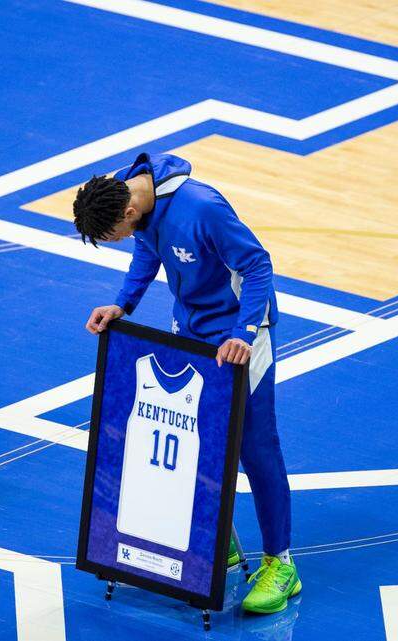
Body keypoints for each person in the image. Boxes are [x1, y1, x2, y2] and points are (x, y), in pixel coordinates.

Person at [73, 152, 300, 614]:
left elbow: (258, 266)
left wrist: (244, 333)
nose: (118, 239)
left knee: (256, 449)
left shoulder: (202, 208)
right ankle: (220, 541)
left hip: (240, 336)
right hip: (192, 334)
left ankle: (282, 564)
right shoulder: (130, 191)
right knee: (198, 441)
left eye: (112, 233)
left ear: (129, 211)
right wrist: (123, 304)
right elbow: (147, 246)